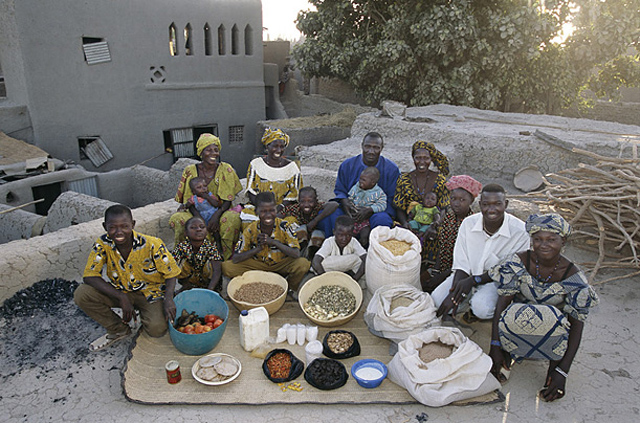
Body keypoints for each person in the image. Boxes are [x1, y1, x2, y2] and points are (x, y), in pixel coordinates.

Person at [488, 214, 599, 402]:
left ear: (563, 240)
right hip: (518, 321)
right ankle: (508, 355)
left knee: (553, 321)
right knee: (511, 314)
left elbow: (577, 327)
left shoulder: (573, 277)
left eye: (551, 239)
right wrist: (496, 346)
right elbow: (502, 305)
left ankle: (553, 367)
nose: (543, 245)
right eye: (538, 239)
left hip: (552, 331)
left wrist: (562, 371)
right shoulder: (519, 262)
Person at [75, 205, 181, 351]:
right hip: (120, 291)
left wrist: (168, 299)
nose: (119, 232)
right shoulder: (103, 244)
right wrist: (121, 297)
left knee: (157, 330)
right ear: (105, 226)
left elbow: (171, 273)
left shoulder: (152, 244)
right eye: (112, 227)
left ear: (133, 224)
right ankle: (118, 328)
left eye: (124, 226)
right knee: (82, 294)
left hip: (150, 293)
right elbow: (90, 276)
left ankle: (145, 313)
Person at [432, 184, 530, 320]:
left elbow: (507, 271)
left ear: (505, 204)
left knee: (482, 309)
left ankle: (474, 310)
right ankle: (464, 303)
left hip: (495, 281)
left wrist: (472, 282)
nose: (491, 209)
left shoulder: (520, 232)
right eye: (486, 204)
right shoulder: (468, 223)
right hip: (466, 277)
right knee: (437, 299)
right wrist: (454, 293)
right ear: (480, 204)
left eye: (497, 204)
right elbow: (462, 263)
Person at [222, 192, 311, 298]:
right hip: (258, 264)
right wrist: (257, 249)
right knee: (226, 267)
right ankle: (254, 285)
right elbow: (236, 258)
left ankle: (289, 289)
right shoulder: (251, 229)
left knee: (303, 264)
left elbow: (296, 253)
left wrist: (273, 242)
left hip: (280, 263)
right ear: (256, 212)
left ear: (276, 210)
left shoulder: (285, 226)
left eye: (272, 210)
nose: (268, 215)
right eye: (263, 211)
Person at [169, 133, 243, 260]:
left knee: (232, 218)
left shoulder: (226, 169)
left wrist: (216, 215)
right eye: (208, 150)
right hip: (196, 212)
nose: (213, 153)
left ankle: (226, 258)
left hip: (220, 210)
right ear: (201, 152)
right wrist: (199, 219)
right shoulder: (190, 171)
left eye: (216, 150)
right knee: (178, 218)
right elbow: (189, 201)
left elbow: (227, 200)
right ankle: (184, 257)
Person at [321, 132, 400, 236]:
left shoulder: (391, 169)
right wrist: (346, 203)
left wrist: (370, 210)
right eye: (367, 146)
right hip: (351, 208)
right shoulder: (347, 165)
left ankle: (374, 249)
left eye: (376, 147)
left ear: (382, 148)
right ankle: (333, 246)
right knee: (331, 215)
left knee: (382, 220)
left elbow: (392, 198)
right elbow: (340, 190)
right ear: (362, 145)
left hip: (376, 211)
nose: (371, 151)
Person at [394, 140, 450, 262]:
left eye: (426, 158)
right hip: (410, 221)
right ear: (413, 158)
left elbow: (444, 208)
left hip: (433, 222)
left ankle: (430, 269)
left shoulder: (440, 180)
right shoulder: (404, 179)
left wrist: (434, 225)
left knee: (439, 235)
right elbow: (399, 207)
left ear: (431, 159)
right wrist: (405, 224)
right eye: (418, 158)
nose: (422, 162)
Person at [423, 175, 482, 292]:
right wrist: (436, 271)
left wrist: (441, 276)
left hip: (461, 273)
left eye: (462, 200)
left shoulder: (473, 224)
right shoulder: (449, 215)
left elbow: (467, 261)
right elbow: (442, 244)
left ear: (471, 201)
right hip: (443, 266)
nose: (456, 203)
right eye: (453, 198)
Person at [245, 128, 302, 208]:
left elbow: (295, 193)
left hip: (283, 210)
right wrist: (263, 209)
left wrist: (279, 208)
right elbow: (251, 190)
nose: (279, 150)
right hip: (259, 208)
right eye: (275, 146)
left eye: (282, 147)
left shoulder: (292, 167)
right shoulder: (256, 164)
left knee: (289, 221)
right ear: (267, 146)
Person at [280, 186, 339, 258]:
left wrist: (315, 221)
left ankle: (311, 256)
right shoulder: (294, 208)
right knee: (302, 228)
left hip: (314, 240)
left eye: (310, 201)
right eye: (302, 201)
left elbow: (334, 204)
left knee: (318, 233)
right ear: (298, 201)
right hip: (299, 239)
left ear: (316, 201)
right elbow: (279, 215)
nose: (306, 205)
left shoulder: (318, 206)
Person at [172, 216, 223, 292]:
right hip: (190, 280)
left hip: (207, 283)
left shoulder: (210, 247)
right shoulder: (181, 247)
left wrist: (210, 290)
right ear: (186, 233)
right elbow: (171, 268)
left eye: (202, 227)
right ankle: (187, 287)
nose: (199, 229)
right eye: (193, 227)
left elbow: (217, 270)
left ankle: (211, 289)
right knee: (178, 263)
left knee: (212, 265)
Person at [312, 215, 367, 282]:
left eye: (348, 235)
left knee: (363, 261)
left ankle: (351, 278)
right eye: (340, 235)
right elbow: (316, 260)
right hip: (329, 270)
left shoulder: (353, 241)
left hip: (349, 269)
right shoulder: (329, 242)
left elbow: (365, 258)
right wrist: (325, 279)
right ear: (334, 232)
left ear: (352, 233)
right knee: (321, 264)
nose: (344, 239)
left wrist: (354, 279)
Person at [347, 166, 387, 247]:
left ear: (372, 182)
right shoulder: (356, 187)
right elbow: (350, 197)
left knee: (365, 234)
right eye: (360, 178)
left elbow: (382, 205)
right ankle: (351, 248)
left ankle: (364, 249)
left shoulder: (379, 193)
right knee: (350, 233)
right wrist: (350, 205)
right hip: (354, 216)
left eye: (363, 180)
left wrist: (371, 209)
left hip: (365, 220)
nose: (360, 181)